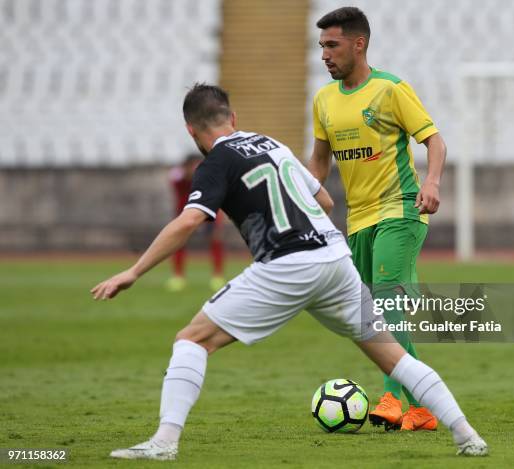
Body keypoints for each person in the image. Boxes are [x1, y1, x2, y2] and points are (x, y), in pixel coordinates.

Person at [91, 84, 487, 460]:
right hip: (335, 259)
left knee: (191, 340)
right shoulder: (272, 145)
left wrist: (134, 271)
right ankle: (467, 435)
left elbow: (189, 221)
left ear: (190, 129)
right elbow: (326, 200)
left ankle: (164, 442)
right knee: (394, 358)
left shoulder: (216, 162)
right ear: (233, 116)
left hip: (285, 265)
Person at [308, 7, 447, 432]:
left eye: (332, 46)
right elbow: (318, 163)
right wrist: (302, 198)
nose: (325, 56)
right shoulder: (324, 100)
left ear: (358, 43)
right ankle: (423, 410)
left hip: (401, 208)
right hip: (358, 219)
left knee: (386, 304)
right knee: (373, 315)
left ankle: (390, 398)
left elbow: (434, 140)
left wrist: (433, 183)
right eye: (321, 48)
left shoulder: (390, 89)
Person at [167, 153, 225, 292]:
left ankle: (217, 275)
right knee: (178, 244)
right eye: (193, 166)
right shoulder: (178, 180)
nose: (196, 169)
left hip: (207, 213)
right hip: (184, 214)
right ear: (185, 167)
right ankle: (178, 276)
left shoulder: (209, 177)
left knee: (215, 241)